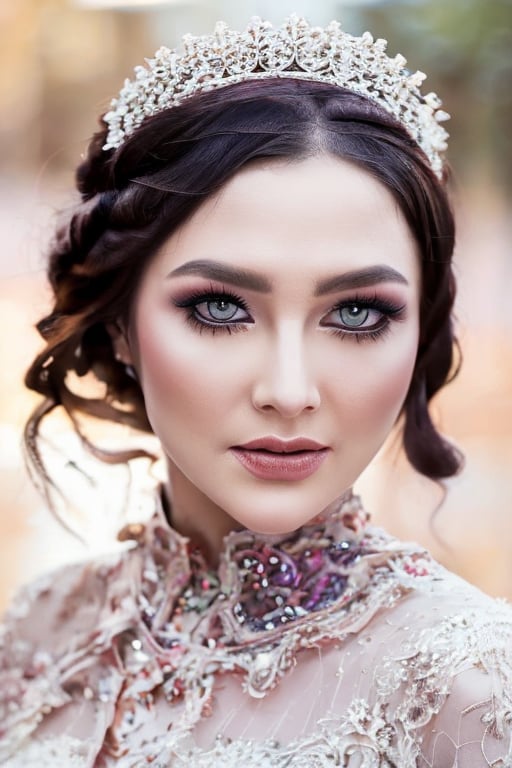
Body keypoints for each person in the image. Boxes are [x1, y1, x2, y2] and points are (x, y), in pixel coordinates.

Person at [1, 16, 511, 767]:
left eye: (357, 313)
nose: (289, 390)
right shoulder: (40, 628)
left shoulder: (469, 696)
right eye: (219, 307)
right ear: (118, 326)